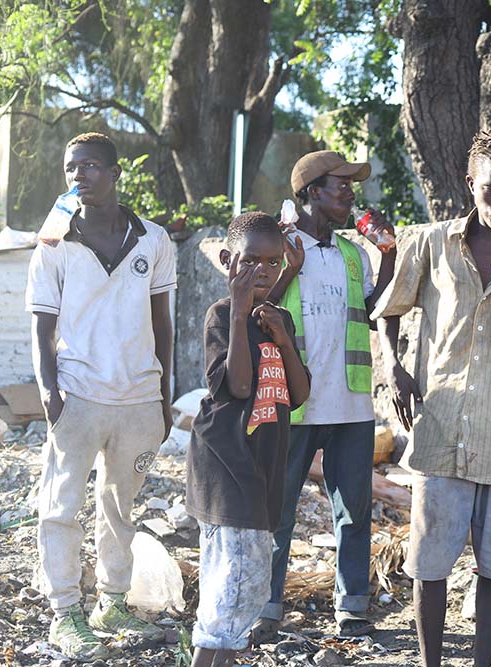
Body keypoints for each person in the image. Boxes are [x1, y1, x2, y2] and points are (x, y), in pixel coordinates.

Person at [373, 127, 491, 667]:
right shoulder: (432, 242)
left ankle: (482, 661)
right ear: (469, 183)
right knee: (429, 562)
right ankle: (432, 661)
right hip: (441, 425)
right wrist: (395, 369)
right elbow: (389, 312)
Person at [26, 132, 176, 661]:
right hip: (78, 394)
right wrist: (50, 392)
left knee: (120, 504)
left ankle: (112, 600)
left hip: (138, 396)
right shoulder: (55, 243)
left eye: (90, 166)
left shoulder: (154, 240)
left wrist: (164, 392)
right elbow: (42, 327)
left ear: (115, 173)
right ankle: (64, 612)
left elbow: (163, 322)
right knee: (60, 507)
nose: (79, 176)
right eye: (71, 168)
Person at [252, 150, 396, 640]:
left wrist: (390, 255)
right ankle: (266, 607)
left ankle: (352, 607)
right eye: (342, 186)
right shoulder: (279, 247)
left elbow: (375, 308)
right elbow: (255, 307)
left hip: (351, 403)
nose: (351, 195)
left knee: (354, 510)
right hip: (294, 403)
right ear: (313, 192)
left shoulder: (354, 254)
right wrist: (288, 267)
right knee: (278, 508)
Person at [186, 212, 311, 667]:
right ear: (227, 261)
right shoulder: (222, 317)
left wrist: (284, 336)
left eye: (273, 263)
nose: (262, 271)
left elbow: (298, 395)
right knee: (229, 595)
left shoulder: (275, 320)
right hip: (227, 469)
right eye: (251, 261)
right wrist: (240, 314)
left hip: (260, 472)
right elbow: (238, 385)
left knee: (245, 593)